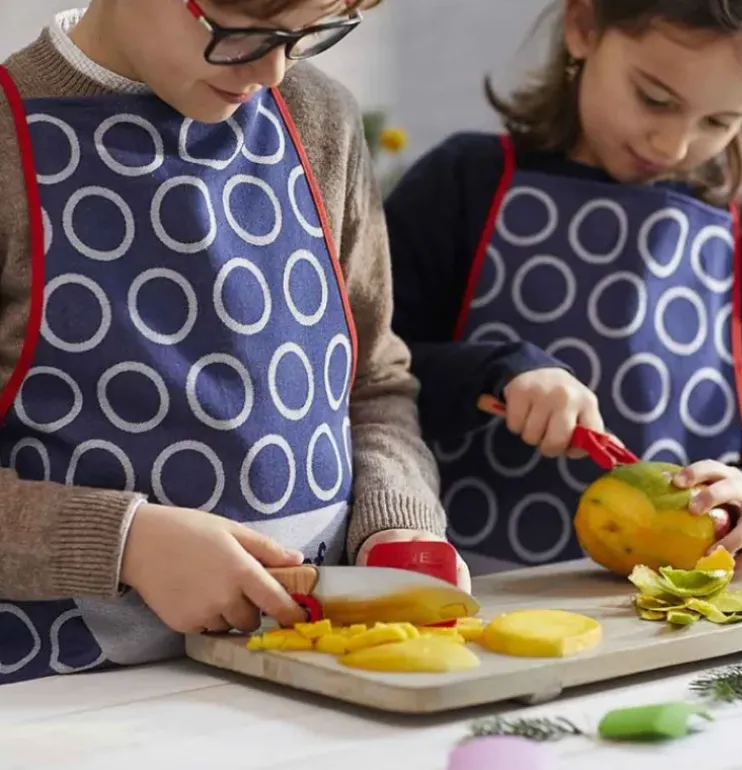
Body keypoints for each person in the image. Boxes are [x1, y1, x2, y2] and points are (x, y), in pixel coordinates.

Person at [0, 0, 468, 685]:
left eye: (305, 34)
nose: (271, 68)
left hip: (319, 675)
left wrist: (397, 519)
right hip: (70, 695)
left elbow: (373, 384)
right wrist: (125, 542)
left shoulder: (321, 123)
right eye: (240, 27)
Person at [386, 0, 742, 577]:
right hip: (470, 587)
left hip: (674, 610)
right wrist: (501, 371)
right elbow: (366, 373)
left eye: (719, 122)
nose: (673, 145)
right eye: (655, 99)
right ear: (584, 27)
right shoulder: (461, 184)